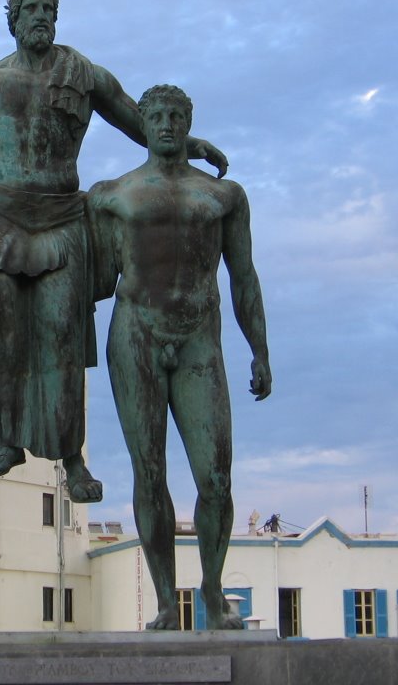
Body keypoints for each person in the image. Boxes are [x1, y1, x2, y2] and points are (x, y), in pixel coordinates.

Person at [0, 0, 228, 503]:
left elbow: (136, 117)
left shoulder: (81, 73)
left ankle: (71, 457)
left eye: (48, 9)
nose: (41, 17)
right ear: (13, 20)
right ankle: (6, 437)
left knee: (62, 329)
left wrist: (190, 144)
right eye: (31, 9)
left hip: (61, 213)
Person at [87, 85, 271, 630]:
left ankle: (212, 592)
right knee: (149, 474)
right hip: (135, 335)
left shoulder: (223, 196)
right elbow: (75, 274)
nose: (166, 124)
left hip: (198, 341)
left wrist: (260, 349)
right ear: (142, 123)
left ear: (189, 122)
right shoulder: (110, 194)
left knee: (215, 478)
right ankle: (167, 601)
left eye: (176, 116)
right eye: (157, 116)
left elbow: (244, 276)